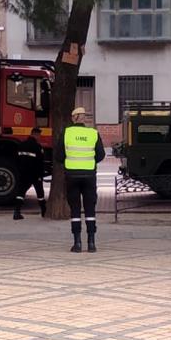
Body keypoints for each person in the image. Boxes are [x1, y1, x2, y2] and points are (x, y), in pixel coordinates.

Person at [62, 107, 104, 253]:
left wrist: (70, 161)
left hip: (72, 176)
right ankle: (91, 243)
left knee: (75, 209)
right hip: (89, 176)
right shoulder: (93, 133)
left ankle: (77, 243)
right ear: (84, 118)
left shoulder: (66, 132)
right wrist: (89, 162)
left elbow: (59, 156)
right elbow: (101, 155)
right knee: (90, 209)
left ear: (73, 118)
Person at [13, 127, 47, 220]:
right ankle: (44, 211)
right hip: (35, 173)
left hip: (24, 172)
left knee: (21, 192)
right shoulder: (37, 147)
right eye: (39, 135)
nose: (39, 137)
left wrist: (19, 170)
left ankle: (16, 212)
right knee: (40, 193)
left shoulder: (21, 145)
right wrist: (41, 174)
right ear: (35, 135)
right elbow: (40, 162)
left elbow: (16, 159)